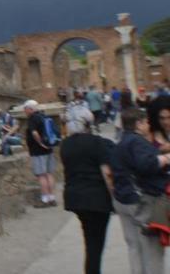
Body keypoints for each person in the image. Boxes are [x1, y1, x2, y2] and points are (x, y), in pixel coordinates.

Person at [110, 107, 170, 273]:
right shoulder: (137, 142)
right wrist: (165, 158)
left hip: (122, 199)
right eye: (146, 122)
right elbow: (146, 164)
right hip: (141, 201)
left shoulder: (121, 142)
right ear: (139, 124)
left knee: (134, 247)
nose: (149, 125)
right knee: (152, 250)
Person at [61, 115, 115, 274]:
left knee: (90, 241)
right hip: (97, 197)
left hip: (75, 197)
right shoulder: (97, 142)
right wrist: (114, 198)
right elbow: (107, 173)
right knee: (96, 244)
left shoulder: (65, 145)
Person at [23, 101, 58, 206]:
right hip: (49, 149)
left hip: (38, 151)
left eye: (25, 109)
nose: (25, 111)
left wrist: (40, 143)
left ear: (30, 109)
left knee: (41, 175)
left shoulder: (32, 118)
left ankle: (44, 199)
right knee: (49, 174)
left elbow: (34, 132)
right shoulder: (43, 116)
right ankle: (52, 198)